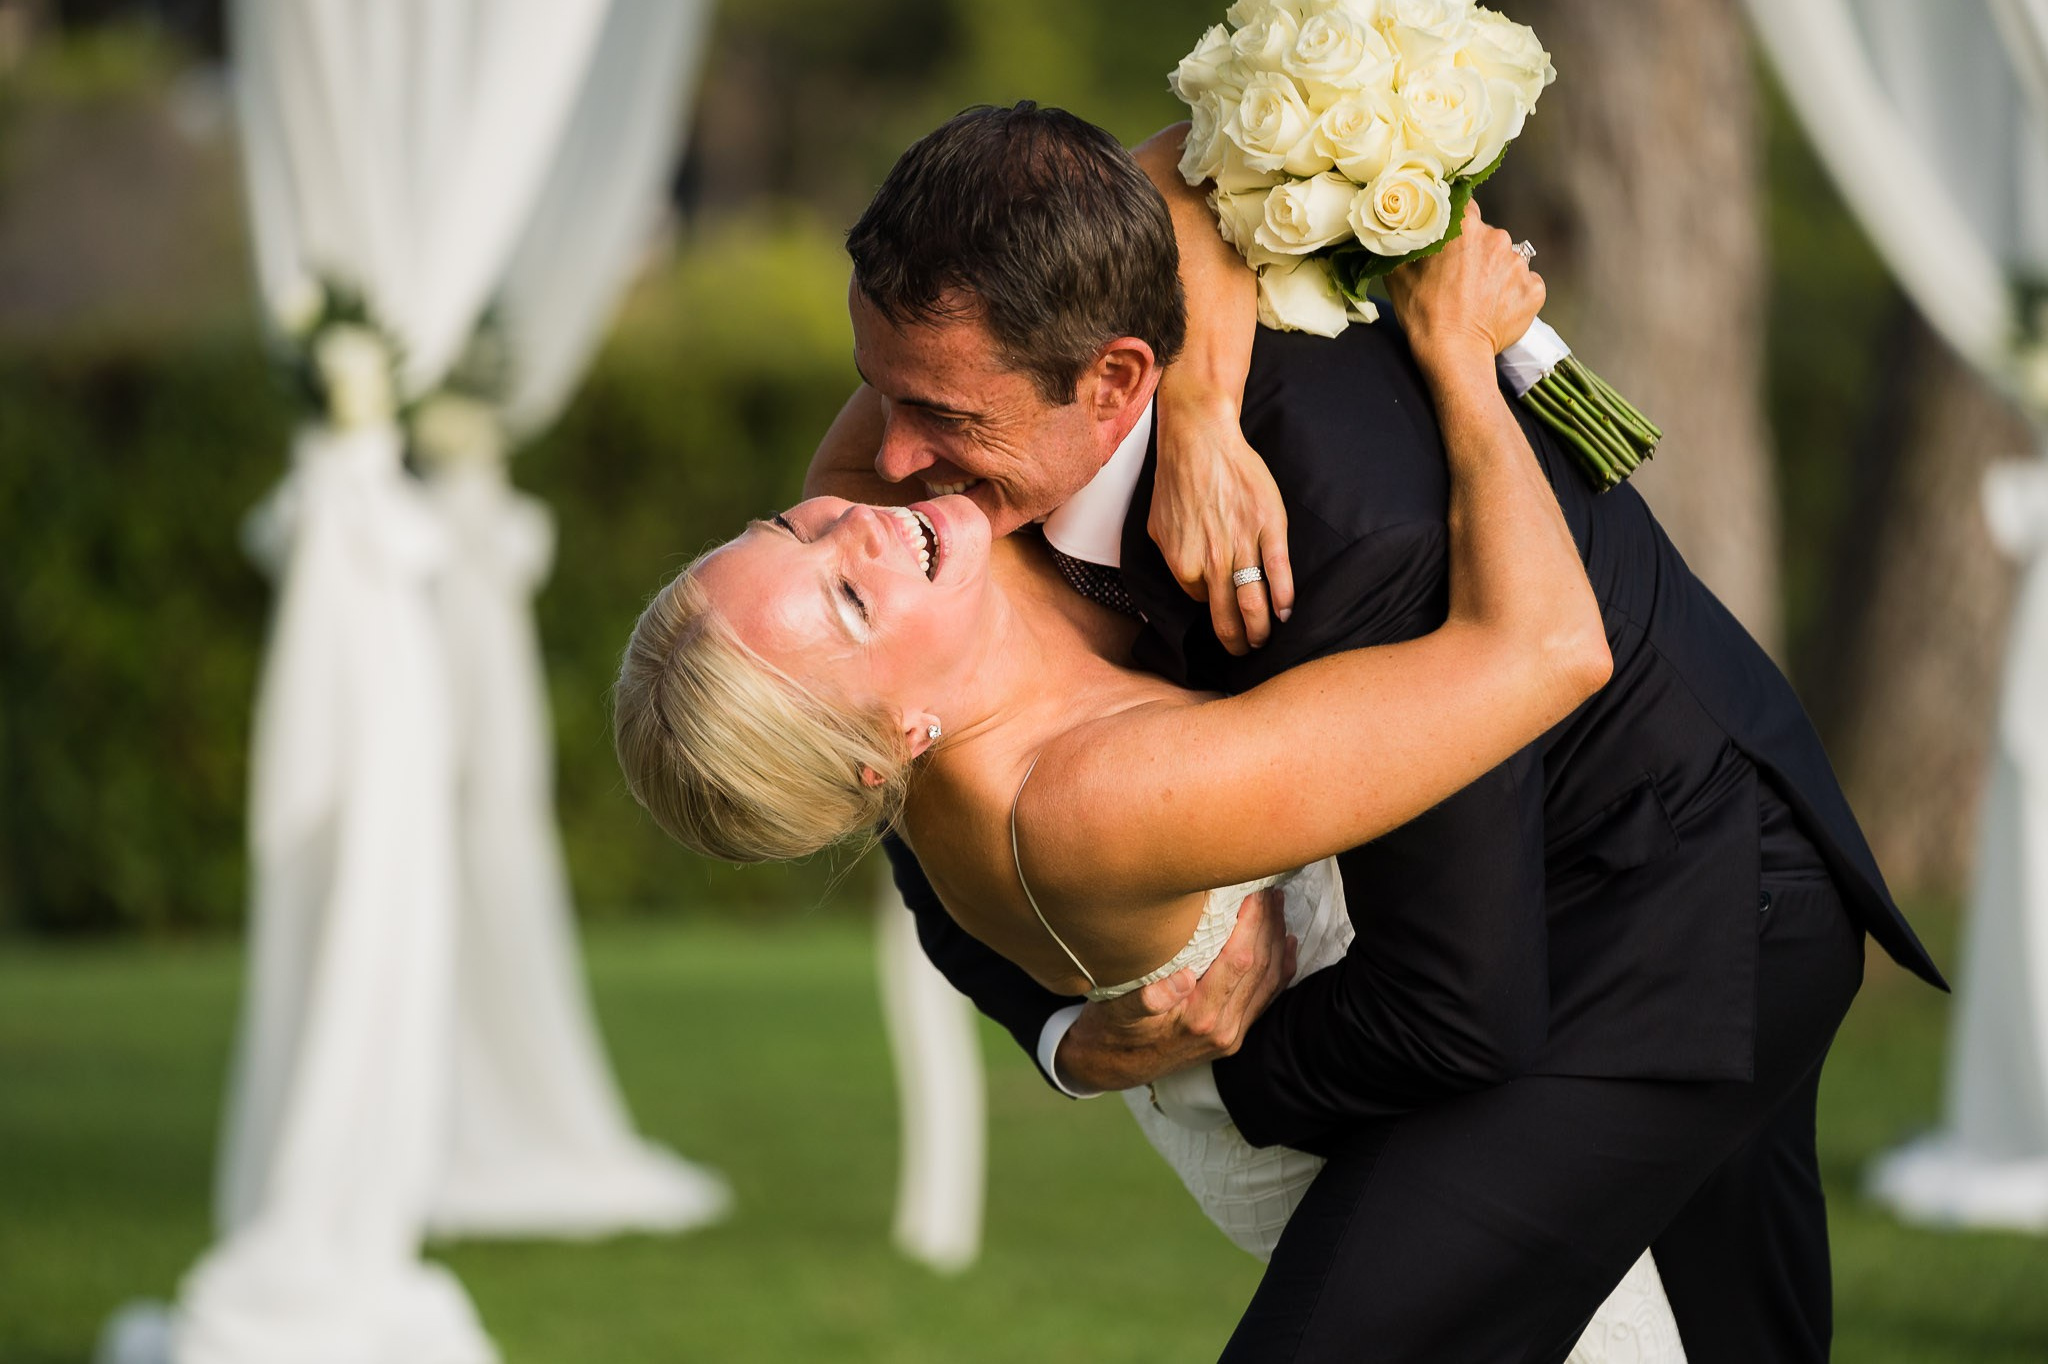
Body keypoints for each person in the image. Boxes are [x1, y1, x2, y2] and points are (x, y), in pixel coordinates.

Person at [647, 104, 1943, 1361]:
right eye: (884, 396)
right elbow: (864, 773)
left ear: (1114, 381)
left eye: (943, 421)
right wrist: (1073, 1037)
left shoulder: (1341, 531)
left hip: (1676, 897)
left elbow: (1460, 994)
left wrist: (1222, 1086)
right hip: (1487, 932)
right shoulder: (939, 498)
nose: (888, 467)